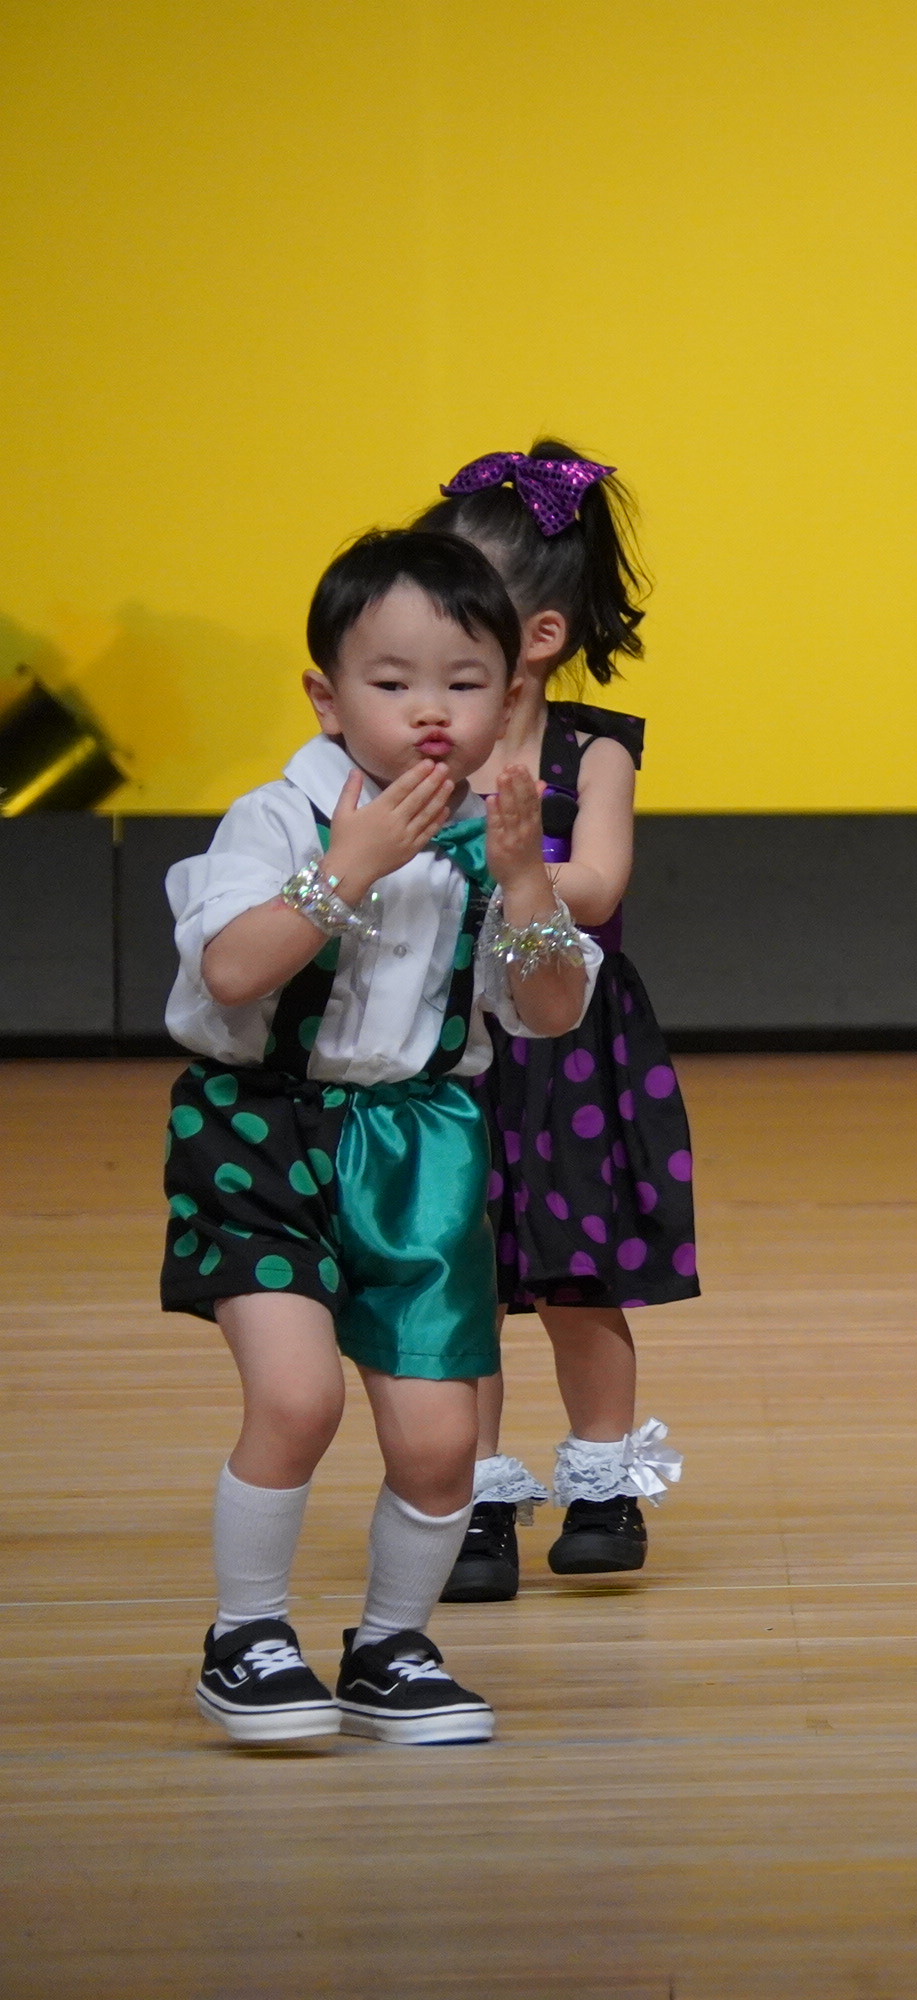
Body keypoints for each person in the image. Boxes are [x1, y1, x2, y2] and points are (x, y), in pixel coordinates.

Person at [170, 529, 599, 1744]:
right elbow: (232, 969)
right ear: (327, 695)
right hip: (261, 1126)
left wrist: (525, 881)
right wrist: (344, 868)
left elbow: (551, 1010)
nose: (430, 710)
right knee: (298, 1396)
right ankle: (247, 1633)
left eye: (464, 683)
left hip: (421, 1140)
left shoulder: (495, 836)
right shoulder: (278, 816)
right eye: (392, 680)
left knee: (440, 1437)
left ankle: (391, 1646)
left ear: (507, 699)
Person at [415, 443, 693, 1601]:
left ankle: (601, 1482)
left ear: (536, 633)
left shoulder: (595, 749)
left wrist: (510, 863)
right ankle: (472, 1497)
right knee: (460, 1278)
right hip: (442, 1043)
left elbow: (601, 881)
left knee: (581, 1275)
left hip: (568, 1044)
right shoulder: (416, 747)